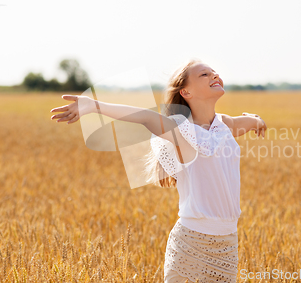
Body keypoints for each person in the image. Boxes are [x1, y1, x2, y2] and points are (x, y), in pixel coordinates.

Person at [50, 58, 267, 282]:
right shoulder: (180, 130)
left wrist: (257, 121)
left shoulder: (224, 126)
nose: (214, 75)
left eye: (214, 72)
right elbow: (146, 117)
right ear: (186, 92)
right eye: (204, 74)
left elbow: (248, 124)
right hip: (191, 244)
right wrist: (92, 105)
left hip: (228, 246)